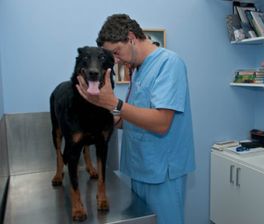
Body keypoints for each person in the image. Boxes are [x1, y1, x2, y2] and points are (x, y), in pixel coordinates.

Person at [76, 14, 195, 224]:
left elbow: (161, 123)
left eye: (116, 52)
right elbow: (129, 118)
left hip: (162, 173)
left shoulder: (169, 63)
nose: (116, 59)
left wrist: (114, 103)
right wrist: (100, 110)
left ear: (131, 38)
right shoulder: (138, 70)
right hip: (139, 169)